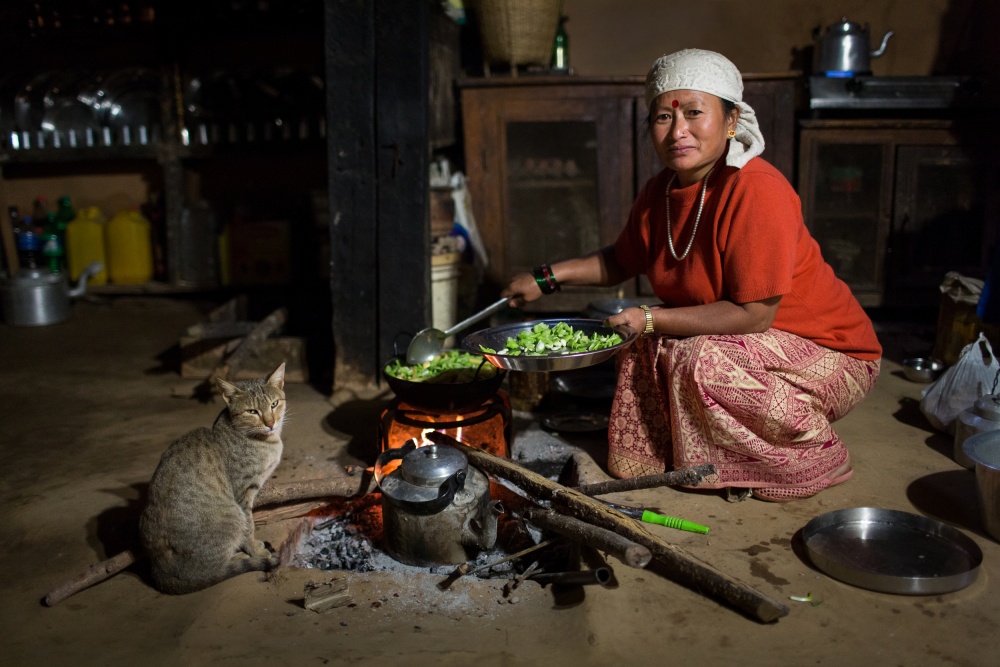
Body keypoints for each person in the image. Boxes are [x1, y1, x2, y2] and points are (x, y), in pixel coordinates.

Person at [501, 49, 882, 501]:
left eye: (695, 113)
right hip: (750, 347)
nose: (677, 131)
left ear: (731, 120)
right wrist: (544, 279)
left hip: (830, 355)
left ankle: (813, 457)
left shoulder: (756, 189)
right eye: (663, 117)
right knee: (647, 344)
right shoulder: (658, 192)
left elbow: (754, 315)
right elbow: (620, 260)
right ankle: (671, 460)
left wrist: (649, 318)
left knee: (698, 357)